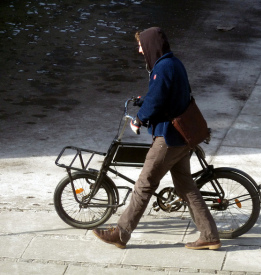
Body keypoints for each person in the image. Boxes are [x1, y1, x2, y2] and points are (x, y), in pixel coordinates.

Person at [93, 27, 221, 250]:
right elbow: (166, 97)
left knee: (144, 184)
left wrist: (139, 120)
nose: (140, 50)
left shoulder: (162, 69)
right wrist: (146, 101)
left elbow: (157, 101)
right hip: (182, 137)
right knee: (186, 187)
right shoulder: (175, 64)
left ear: (151, 45)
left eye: (142, 45)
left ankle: (121, 234)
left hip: (168, 138)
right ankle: (209, 235)